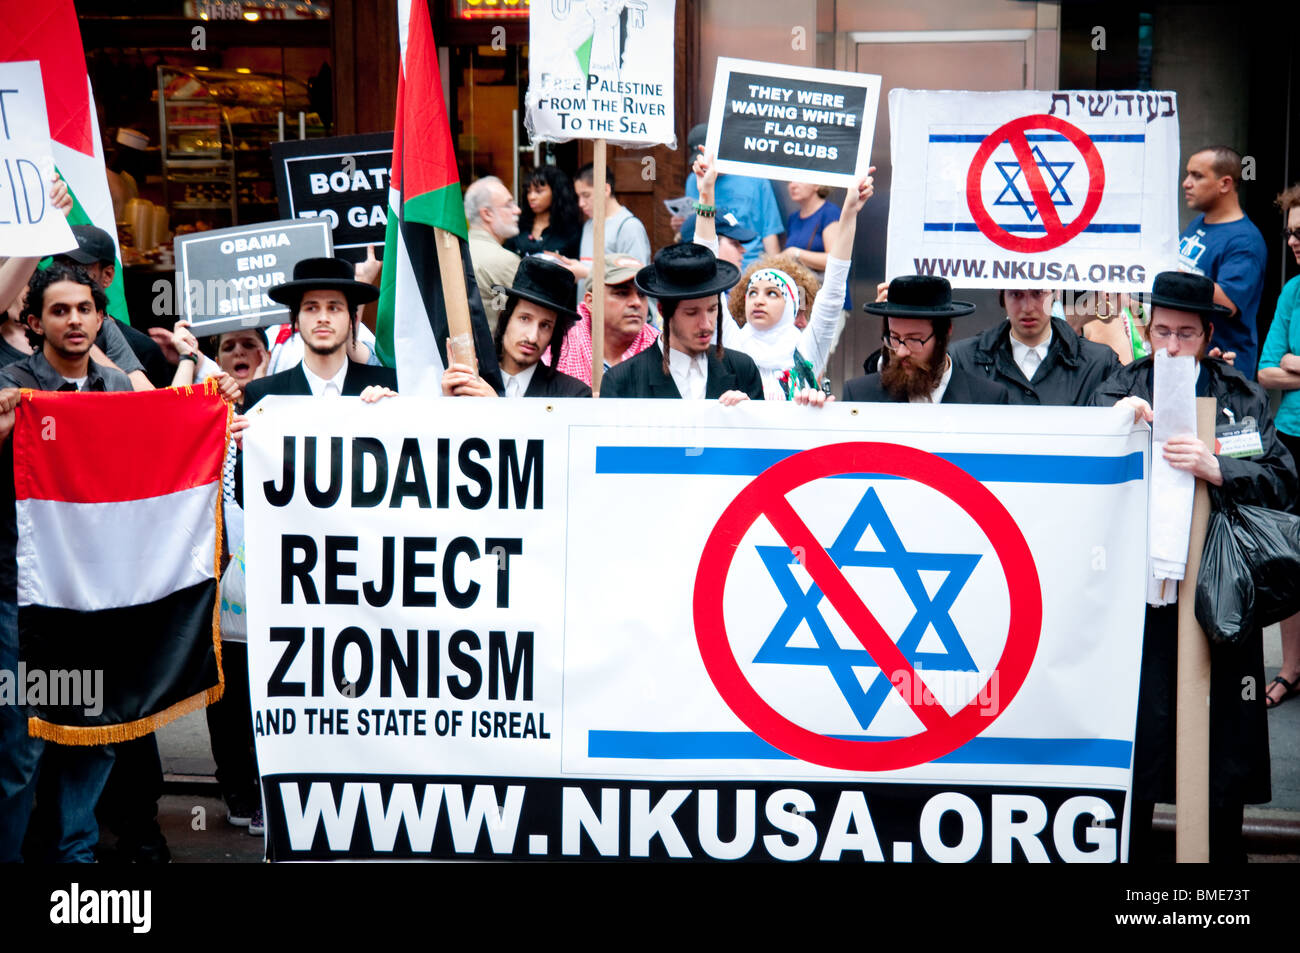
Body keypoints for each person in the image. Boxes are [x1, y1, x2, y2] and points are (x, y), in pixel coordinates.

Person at [1092, 271, 1297, 862]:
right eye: (1162, 333)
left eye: (1186, 333)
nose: (1173, 347)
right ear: (1146, 330)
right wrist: (1115, 432)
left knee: (1221, 751)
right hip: (1140, 603)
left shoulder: (1240, 397)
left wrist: (1220, 468)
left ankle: (1216, 878)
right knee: (1139, 745)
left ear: (1208, 335)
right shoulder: (1120, 387)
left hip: (1219, 595)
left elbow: (1282, 481)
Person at [0, 263, 134, 863]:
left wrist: (218, 409)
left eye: (84, 309)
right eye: (59, 310)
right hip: (21, 595)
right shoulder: (11, 386)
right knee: (21, 743)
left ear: (100, 319)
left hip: (97, 592)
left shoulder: (121, 392)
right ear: (34, 323)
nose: (74, 320)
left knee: (93, 732)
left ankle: (74, 860)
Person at [692, 151, 872, 400]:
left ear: (793, 304)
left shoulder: (808, 349)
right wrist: (706, 194)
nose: (758, 300)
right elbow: (705, 275)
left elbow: (833, 290)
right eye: (752, 292)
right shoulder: (731, 342)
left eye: (772, 293)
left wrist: (850, 212)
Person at [601, 243, 763, 403]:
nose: (706, 324)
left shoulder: (742, 368)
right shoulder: (622, 382)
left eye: (712, 309)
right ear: (663, 311)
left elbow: (761, 428)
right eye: (691, 313)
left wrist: (747, 416)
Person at [1253, 183, 1300, 708]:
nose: (1293, 242)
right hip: (1290, 437)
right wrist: (1285, 367)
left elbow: (1285, 364)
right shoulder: (1292, 293)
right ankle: (1291, 668)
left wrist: (1296, 363)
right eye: (1289, 233)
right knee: (1291, 555)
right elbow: (1266, 372)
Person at [241, 258, 397, 409]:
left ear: (353, 319)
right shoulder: (263, 396)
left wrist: (393, 411)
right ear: (295, 319)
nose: (323, 318)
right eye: (311, 308)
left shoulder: (389, 386)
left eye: (334, 308)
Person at [842, 276, 1009, 405]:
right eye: (894, 338)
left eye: (914, 340)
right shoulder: (858, 396)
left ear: (945, 332)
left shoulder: (988, 399)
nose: (901, 352)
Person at [441, 256, 590, 399]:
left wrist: (496, 409)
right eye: (524, 318)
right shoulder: (472, 382)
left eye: (545, 325)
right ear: (505, 318)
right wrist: (451, 404)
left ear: (554, 334)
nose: (532, 337)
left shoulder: (574, 395)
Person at [1178, 146, 1268, 378]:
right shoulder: (1198, 222)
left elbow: (1228, 302)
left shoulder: (1245, 240)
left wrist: (1171, 274)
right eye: (1188, 174)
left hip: (1224, 371)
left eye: (1197, 176)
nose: (1186, 183)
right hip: (1188, 360)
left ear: (1225, 184)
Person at [950, 288, 1119, 405]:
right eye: (1016, 294)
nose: (1028, 308)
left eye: (1038, 293)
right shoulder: (961, 360)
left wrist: (1127, 403)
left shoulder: (1100, 363)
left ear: (1056, 294)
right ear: (1002, 296)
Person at [53, 224, 169, 390]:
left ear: (107, 275)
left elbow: (160, 408)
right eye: (58, 267)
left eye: (77, 269)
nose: (65, 278)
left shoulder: (142, 349)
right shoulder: (33, 335)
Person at [677, 123, 784, 268]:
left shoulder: (755, 178)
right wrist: (681, 227)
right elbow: (697, 230)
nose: (704, 164)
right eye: (700, 159)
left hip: (751, 268)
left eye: (707, 158)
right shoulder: (695, 180)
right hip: (710, 267)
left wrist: (774, 273)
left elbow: (769, 233)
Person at [549, 254, 658, 386]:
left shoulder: (664, 352)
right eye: (622, 293)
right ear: (591, 302)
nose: (636, 302)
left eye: (642, 294)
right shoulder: (559, 354)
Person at [464, 176, 523, 332]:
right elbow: (529, 314)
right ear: (487, 214)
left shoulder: (457, 250)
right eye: (508, 205)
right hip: (491, 353)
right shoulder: (504, 261)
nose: (517, 210)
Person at [572, 163, 652, 276]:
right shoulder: (589, 224)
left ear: (605, 189)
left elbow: (635, 277)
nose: (581, 203)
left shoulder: (629, 226)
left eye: (586, 195)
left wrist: (586, 273)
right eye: (578, 196)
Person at [506, 165, 582, 260]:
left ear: (555, 192)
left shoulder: (570, 230)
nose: (531, 197)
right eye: (529, 192)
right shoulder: (519, 225)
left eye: (539, 191)